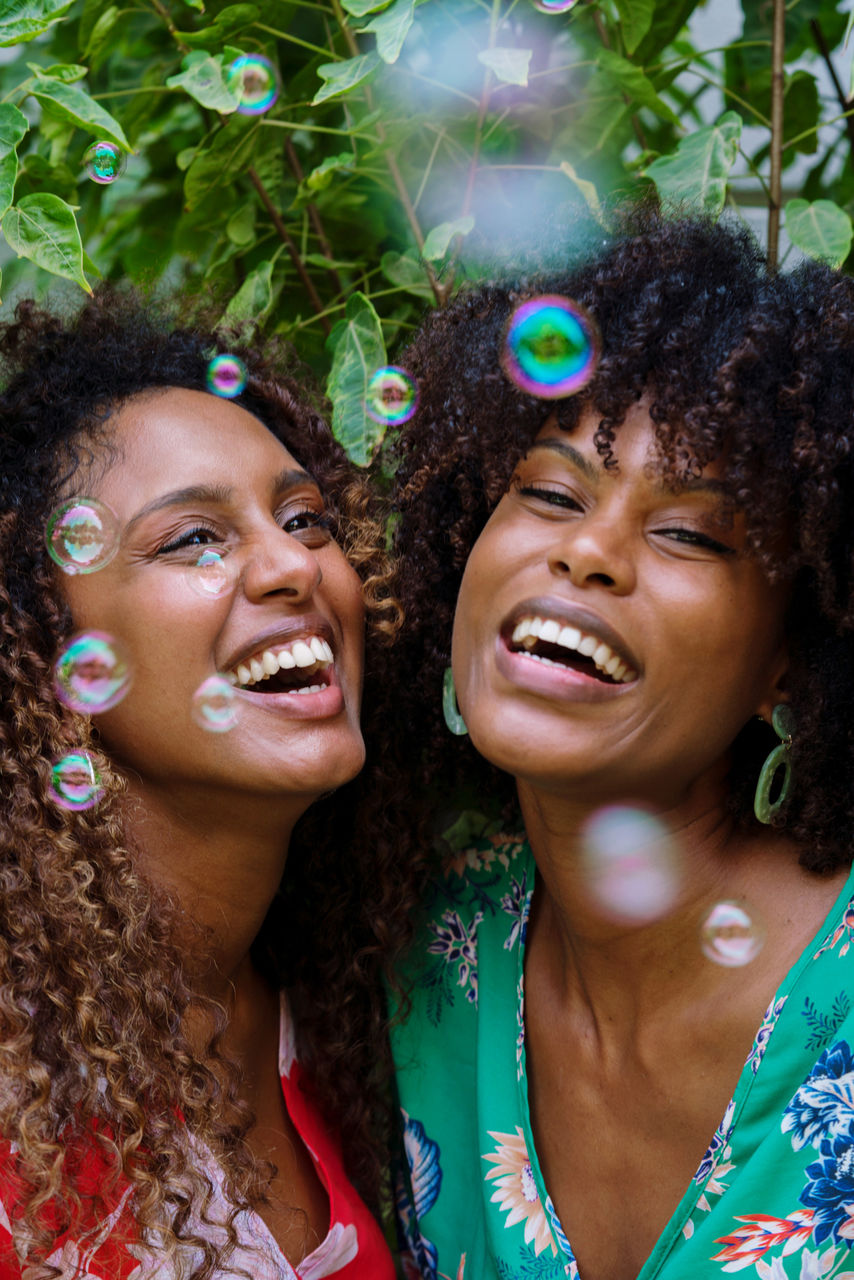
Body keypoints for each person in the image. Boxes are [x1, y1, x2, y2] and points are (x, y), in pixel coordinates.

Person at [384, 214, 854, 1280]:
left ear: (791, 661)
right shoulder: (417, 957)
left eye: (687, 530)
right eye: (546, 492)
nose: (585, 550)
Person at [0, 289, 401, 1280]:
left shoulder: (359, 1017)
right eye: (194, 538)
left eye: (306, 519)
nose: (290, 567)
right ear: (47, 636)